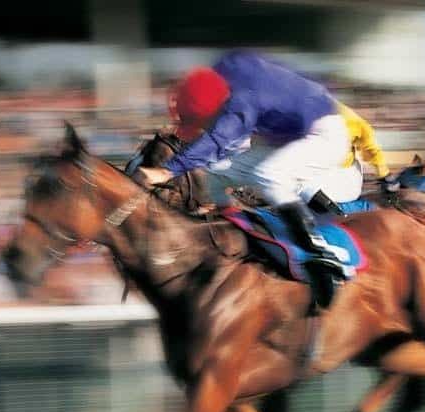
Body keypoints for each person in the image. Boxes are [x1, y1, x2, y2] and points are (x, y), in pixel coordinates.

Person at [137, 50, 358, 307]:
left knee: (270, 175)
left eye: (202, 123)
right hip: (291, 132)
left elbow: (217, 140)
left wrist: (167, 170)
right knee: (218, 170)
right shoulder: (222, 73)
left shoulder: (240, 102)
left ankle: (319, 254)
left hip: (325, 134)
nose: (202, 129)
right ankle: (228, 219)